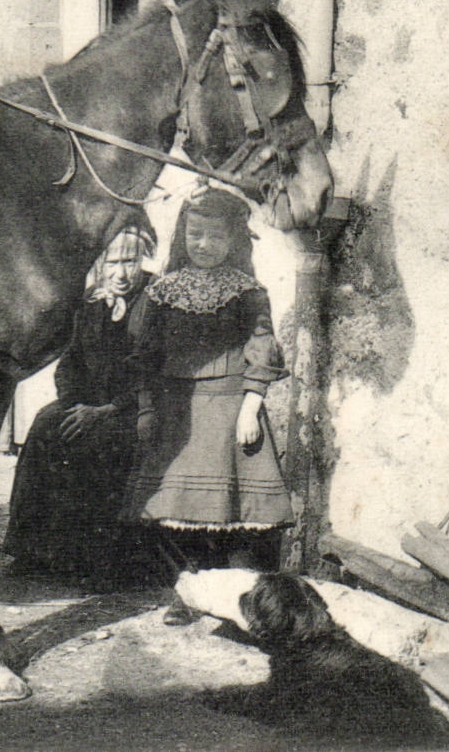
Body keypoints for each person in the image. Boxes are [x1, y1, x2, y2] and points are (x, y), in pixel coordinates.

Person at [123, 187, 291, 624]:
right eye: (195, 234)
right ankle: (188, 593)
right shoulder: (161, 292)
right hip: (178, 412)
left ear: (233, 240)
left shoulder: (249, 292)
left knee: (232, 515)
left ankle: (239, 601)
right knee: (171, 513)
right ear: (183, 235)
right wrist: (146, 409)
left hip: (230, 411)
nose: (204, 245)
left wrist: (251, 407)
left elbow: (261, 349)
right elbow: (146, 356)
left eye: (215, 236)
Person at [4, 225, 154, 586]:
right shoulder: (90, 302)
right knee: (45, 426)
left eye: (130, 261)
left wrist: (106, 411)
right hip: (87, 405)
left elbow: (153, 371)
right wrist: (75, 404)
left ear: (142, 260)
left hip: (133, 409)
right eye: (112, 261)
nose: (120, 273)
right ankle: (34, 551)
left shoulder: (154, 300)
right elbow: (70, 362)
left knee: (99, 446)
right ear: (100, 262)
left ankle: (94, 564)